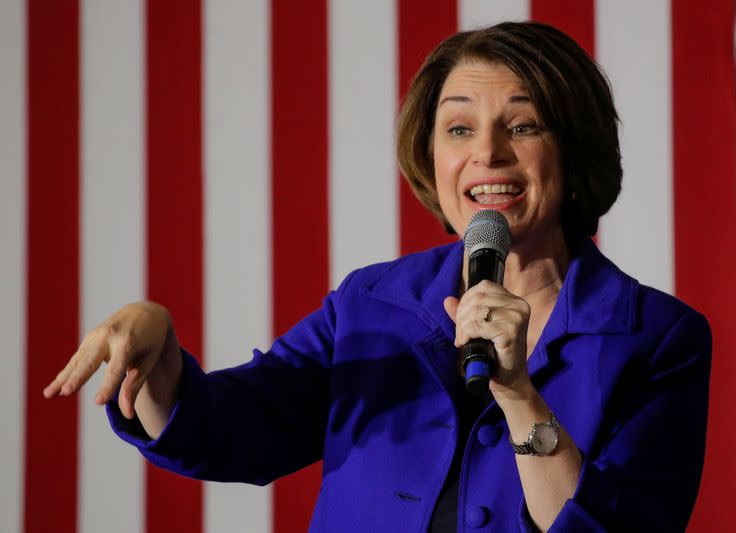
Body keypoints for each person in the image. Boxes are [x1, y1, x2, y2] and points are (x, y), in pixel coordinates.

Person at [44, 21, 711, 532]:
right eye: (458, 128)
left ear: (576, 148)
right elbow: (230, 430)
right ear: (430, 155)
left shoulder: (658, 339)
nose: (486, 152)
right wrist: (160, 356)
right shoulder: (372, 302)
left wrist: (517, 393)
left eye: (523, 124)